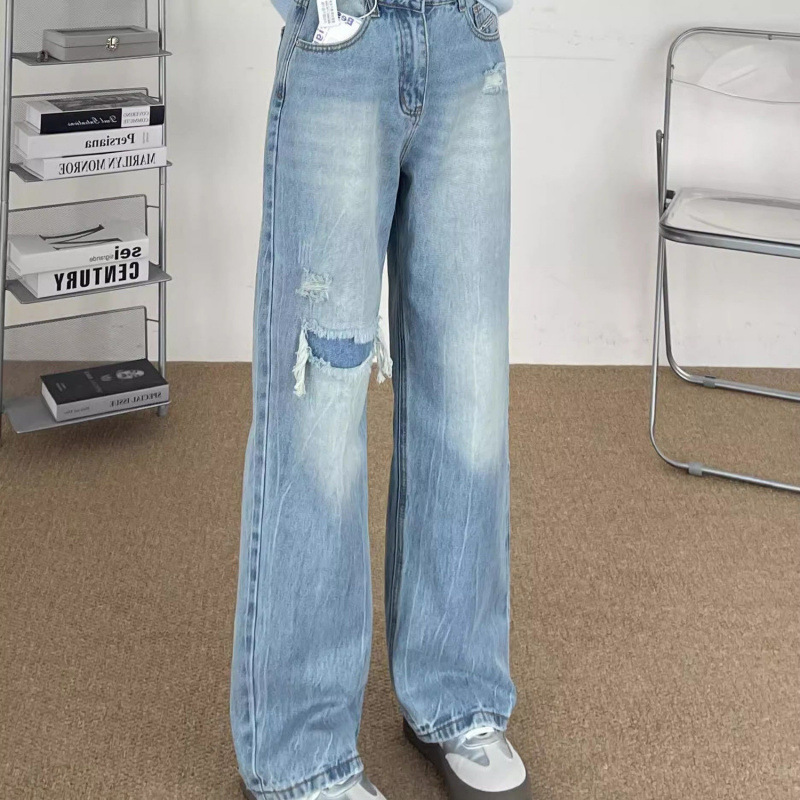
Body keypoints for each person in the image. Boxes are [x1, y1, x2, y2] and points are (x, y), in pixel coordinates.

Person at [230, 0, 530, 797]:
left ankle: (457, 692)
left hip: (465, 38)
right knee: (319, 408)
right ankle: (299, 751)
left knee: (467, 387)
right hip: (343, 45)